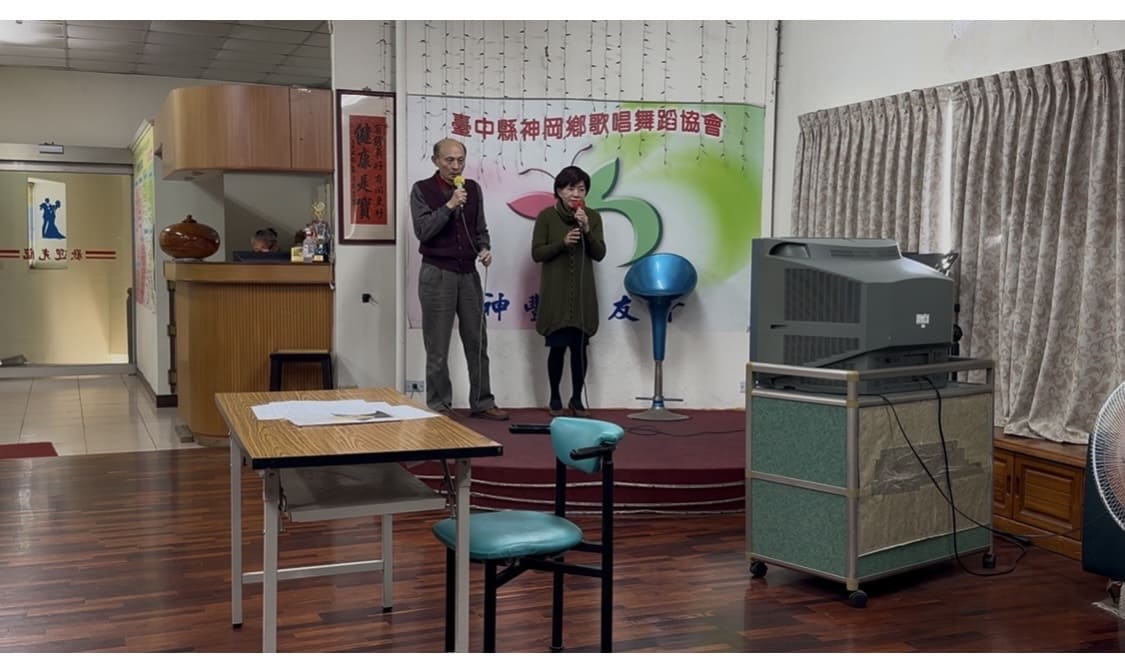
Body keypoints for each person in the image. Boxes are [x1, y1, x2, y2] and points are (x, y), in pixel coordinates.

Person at [410, 138, 509, 421]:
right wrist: (450, 205)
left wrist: (484, 248)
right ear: (436, 161)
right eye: (449, 160)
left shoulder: (472, 189)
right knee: (437, 346)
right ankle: (439, 405)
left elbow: (480, 228)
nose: (456, 166)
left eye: (460, 160)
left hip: (468, 273)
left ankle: (483, 401)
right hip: (436, 273)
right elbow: (423, 231)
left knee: (477, 342)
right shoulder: (422, 189)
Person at [531, 166, 606, 417]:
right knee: (557, 347)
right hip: (556, 294)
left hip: (583, 295)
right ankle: (554, 397)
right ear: (559, 191)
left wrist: (587, 230)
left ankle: (576, 398)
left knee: (579, 349)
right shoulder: (546, 217)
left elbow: (600, 253)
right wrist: (562, 244)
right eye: (570, 188)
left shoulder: (592, 217)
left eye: (581, 189)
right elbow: (537, 253)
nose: (576, 194)